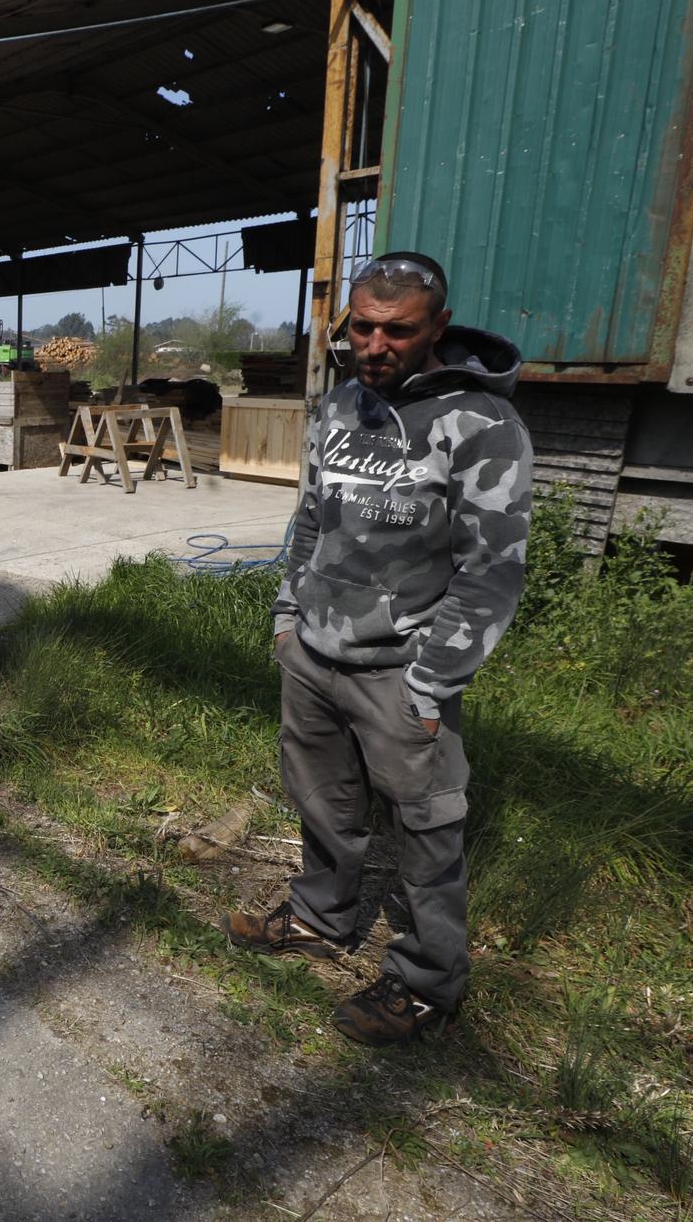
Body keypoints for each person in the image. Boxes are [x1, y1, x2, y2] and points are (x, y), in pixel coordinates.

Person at [222, 251, 532, 1046]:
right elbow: (313, 521)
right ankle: (320, 917)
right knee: (321, 801)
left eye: (396, 329)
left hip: (403, 672)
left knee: (427, 830)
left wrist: (432, 684)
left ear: (437, 326)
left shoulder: (481, 426)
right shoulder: (338, 407)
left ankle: (428, 983)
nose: (375, 343)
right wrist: (289, 618)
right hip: (315, 655)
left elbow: (491, 574)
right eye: (362, 325)